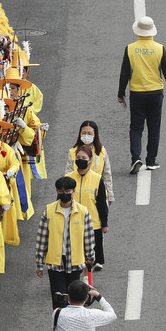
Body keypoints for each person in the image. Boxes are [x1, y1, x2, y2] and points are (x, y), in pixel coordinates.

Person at [117, 16, 166, 173]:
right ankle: (151, 160)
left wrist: (120, 92)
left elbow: (124, 73)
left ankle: (135, 158)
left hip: (137, 93)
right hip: (155, 93)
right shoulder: (159, 48)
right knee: (154, 127)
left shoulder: (130, 48)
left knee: (136, 127)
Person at [35, 178, 95, 307]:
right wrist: (39, 263)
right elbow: (42, 239)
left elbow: (88, 237)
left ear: (74, 191)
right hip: (55, 263)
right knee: (58, 299)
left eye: (67, 190)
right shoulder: (49, 211)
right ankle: (58, 323)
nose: (64, 193)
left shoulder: (83, 212)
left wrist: (90, 257)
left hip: (75, 262)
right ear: (57, 191)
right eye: (61, 191)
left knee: (74, 299)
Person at [65, 146, 108, 270]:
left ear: (90, 160)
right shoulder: (69, 177)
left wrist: (104, 223)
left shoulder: (97, 179)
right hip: (72, 221)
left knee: (92, 255)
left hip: (93, 223)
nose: (80, 160)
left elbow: (101, 203)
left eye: (84, 158)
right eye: (78, 157)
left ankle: (88, 277)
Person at [65, 122, 114, 205]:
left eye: (89, 133)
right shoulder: (73, 152)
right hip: (77, 194)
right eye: (83, 133)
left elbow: (107, 174)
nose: (86, 136)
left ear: (95, 135)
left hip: (97, 192)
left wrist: (110, 194)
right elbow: (68, 173)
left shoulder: (101, 152)